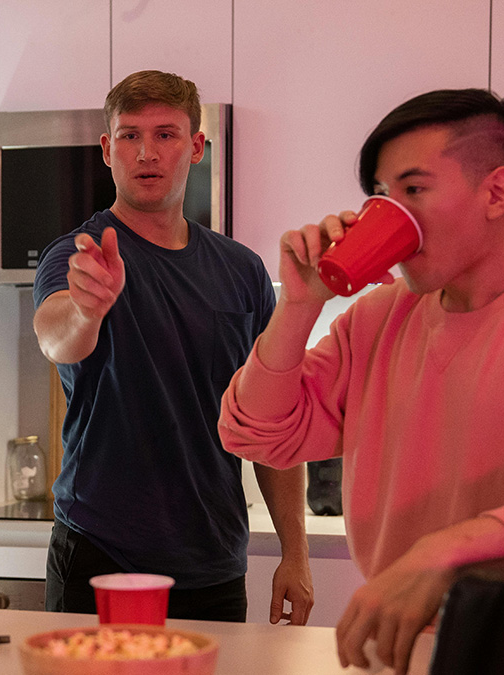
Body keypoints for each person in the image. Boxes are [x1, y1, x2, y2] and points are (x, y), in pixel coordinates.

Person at [218, 88, 504, 671]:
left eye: (414, 190)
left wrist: (445, 554)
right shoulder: (377, 319)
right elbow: (255, 433)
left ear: (496, 192)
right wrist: (298, 305)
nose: (389, 214)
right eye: (380, 195)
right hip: (394, 650)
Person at [33, 70, 314, 624]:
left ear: (196, 147)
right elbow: (55, 337)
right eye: (130, 136)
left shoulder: (242, 271)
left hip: (215, 564)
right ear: (107, 150)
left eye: (166, 134)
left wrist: (296, 551)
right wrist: (87, 308)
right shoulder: (81, 257)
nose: (147, 152)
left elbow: (272, 418)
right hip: (102, 554)